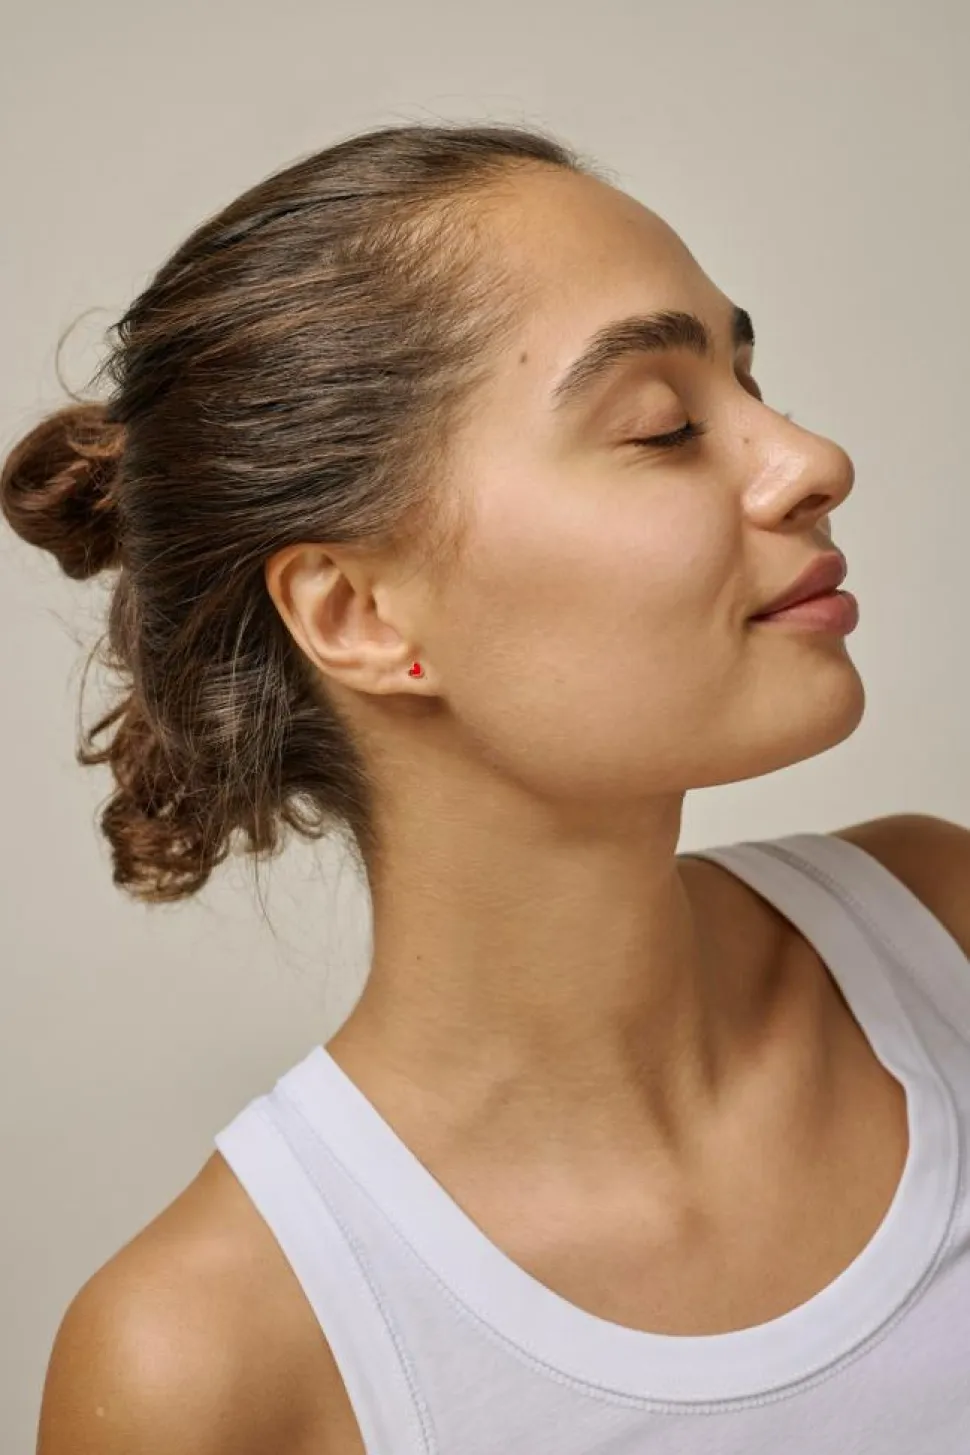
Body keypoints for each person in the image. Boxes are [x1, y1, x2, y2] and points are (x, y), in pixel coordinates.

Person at [4, 121, 969, 1455]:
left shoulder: (942, 926)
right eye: (665, 427)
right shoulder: (209, 1364)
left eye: (749, 381)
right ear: (355, 611)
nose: (811, 458)